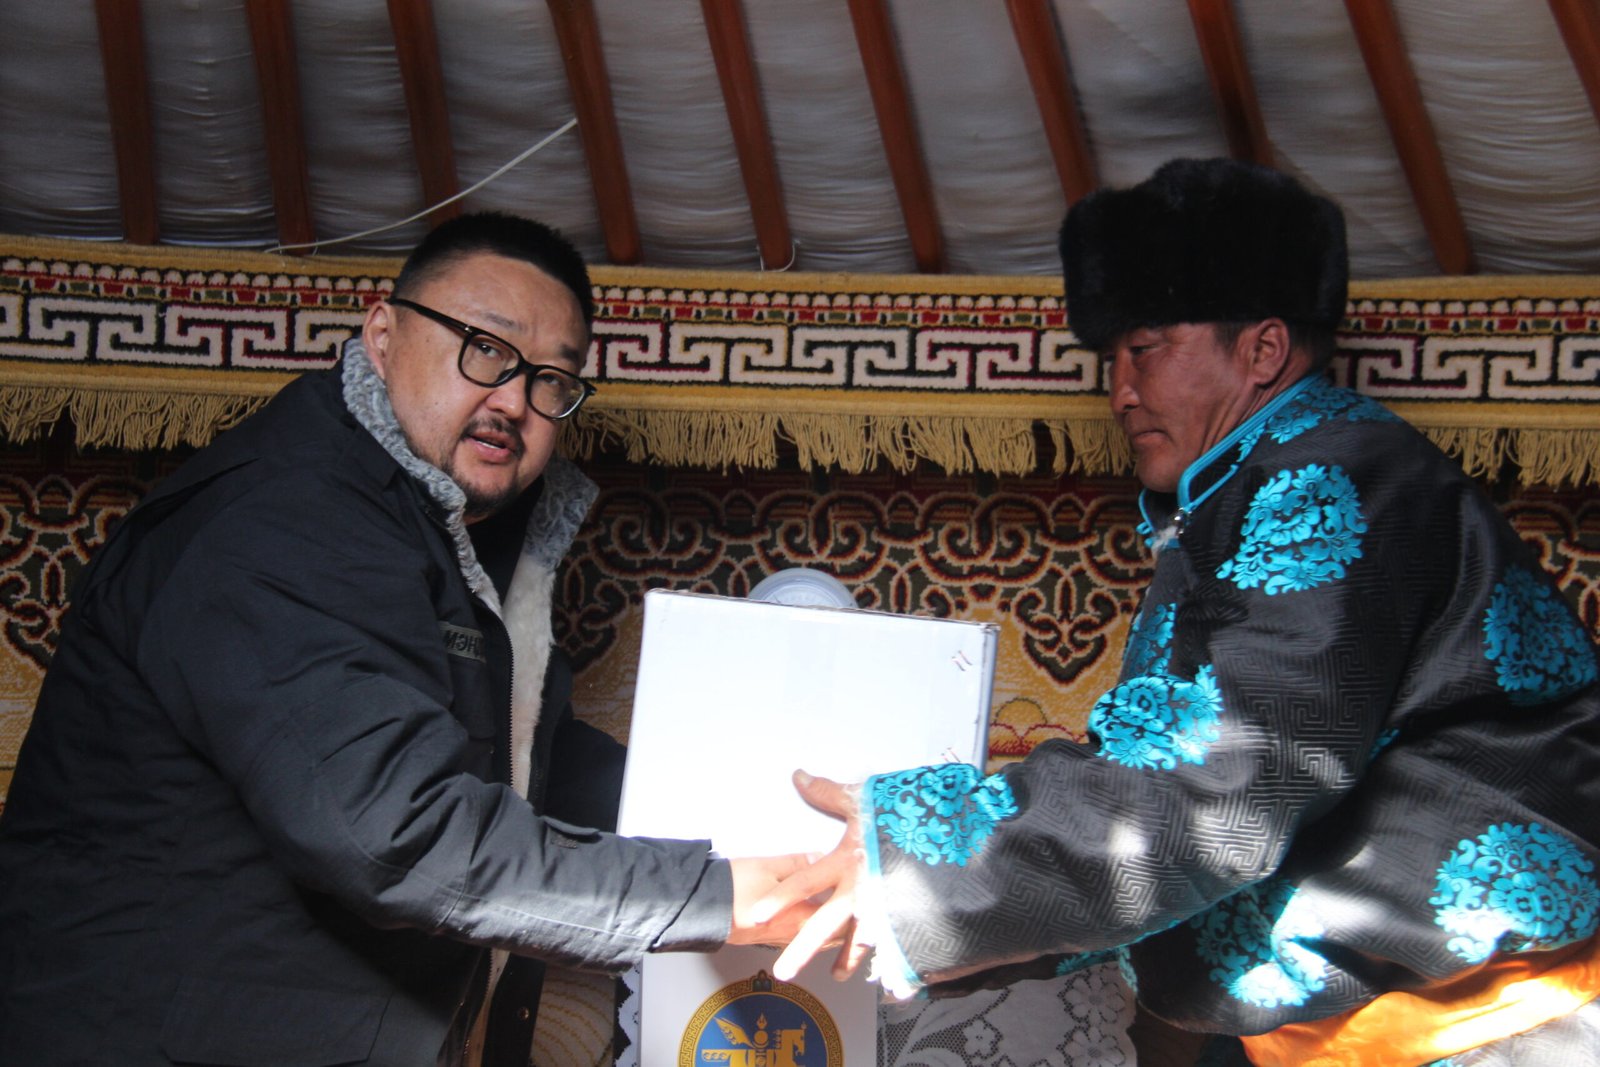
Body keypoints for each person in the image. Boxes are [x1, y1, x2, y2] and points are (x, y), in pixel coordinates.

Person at [761, 159, 1600, 1066]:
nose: (1120, 390)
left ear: (1263, 351)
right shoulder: (1243, 491)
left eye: (1147, 347)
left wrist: (918, 862)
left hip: (1496, 1028)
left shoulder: (1333, 479)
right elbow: (1165, 787)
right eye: (1111, 359)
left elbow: (1221, 785)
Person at [0, 211, 812, 1067]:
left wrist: (772, 811)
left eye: (551, 379)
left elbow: (528, 762)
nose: (513, 400)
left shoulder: (440, 532)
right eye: (485, 349)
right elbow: (398, 833)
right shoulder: (280, 520)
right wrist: (724, 898)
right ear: (383, 336)